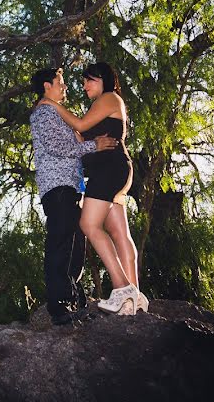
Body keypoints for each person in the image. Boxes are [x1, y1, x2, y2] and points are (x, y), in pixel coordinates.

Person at [40, 62, 146, 315]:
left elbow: (81, 125)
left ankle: (123, 290)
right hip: (115, 170)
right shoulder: (103, 106)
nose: (84, 85)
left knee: (88, 225)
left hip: (108, 171)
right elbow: (83, 135)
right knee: (121, 234)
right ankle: (135, 298)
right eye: (84, 81)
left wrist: (50, 103)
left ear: (104, 81)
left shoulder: (109, 98)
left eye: (90, 80)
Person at [30, 67, 118, 325]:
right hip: (57, 188)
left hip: (67, 187)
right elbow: (58, 147)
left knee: (75, 242)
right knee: (62, 243)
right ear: (47, 86)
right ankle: (60, 307)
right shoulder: (44, 112)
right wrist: (94, 145)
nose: (65, 87)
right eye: (61, 82)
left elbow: (71, 142)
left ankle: (74, 299)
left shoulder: (54, 113)